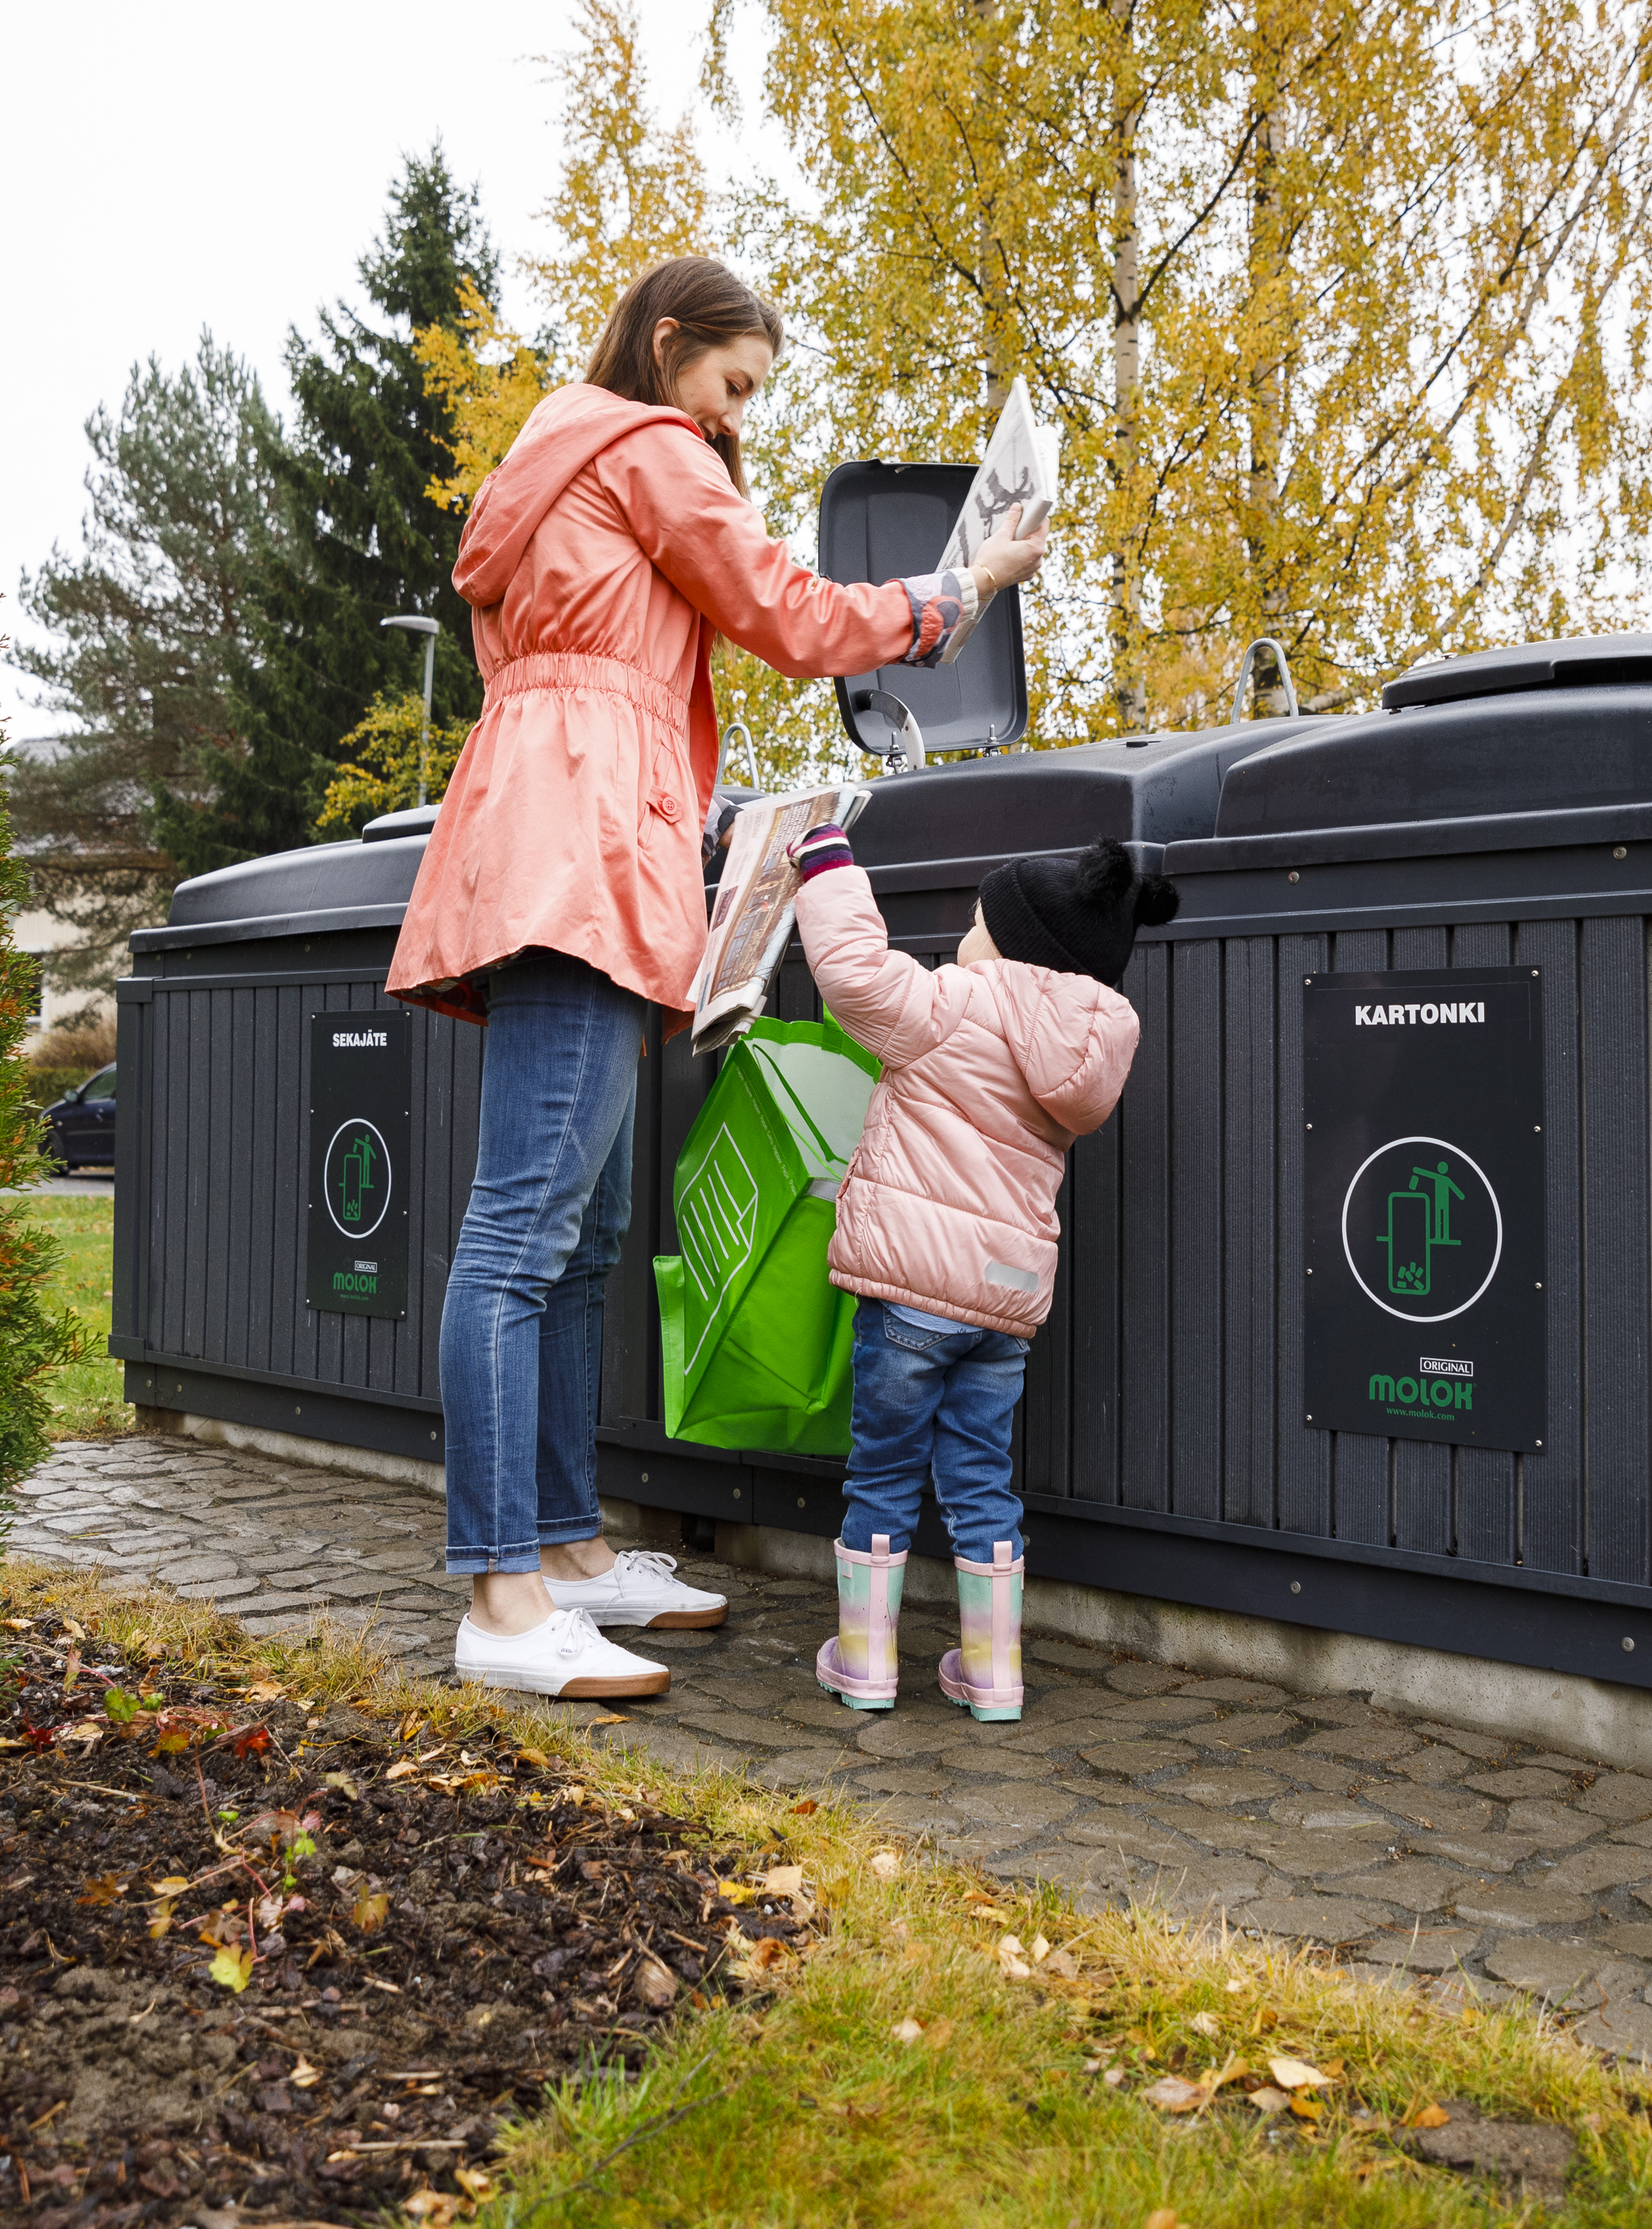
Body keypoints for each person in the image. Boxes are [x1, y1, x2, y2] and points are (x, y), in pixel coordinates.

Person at [389, 253, 1050, 1702]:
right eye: (736, 382)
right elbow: (786, 612)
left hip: (570, 834)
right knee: (524, 1232)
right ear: (673, 345)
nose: (737, 413)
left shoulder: (566, 458)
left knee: (582, 1237)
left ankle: (562, 1551)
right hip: (583, 851)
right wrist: (959, 590)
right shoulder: (648, 447)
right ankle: (502, 1597)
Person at [785, 829, 1177, 1721]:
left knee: (882, 1472)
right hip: (1002, 1304)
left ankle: (865, 1660)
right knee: (979, 1477)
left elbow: (851, 973)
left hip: (912, 1296)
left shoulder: (956, 1002)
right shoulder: (1087, 1044)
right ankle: (994, 1675)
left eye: (976, 922)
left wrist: (830, 866)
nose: (965, 933)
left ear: (1011, 941)